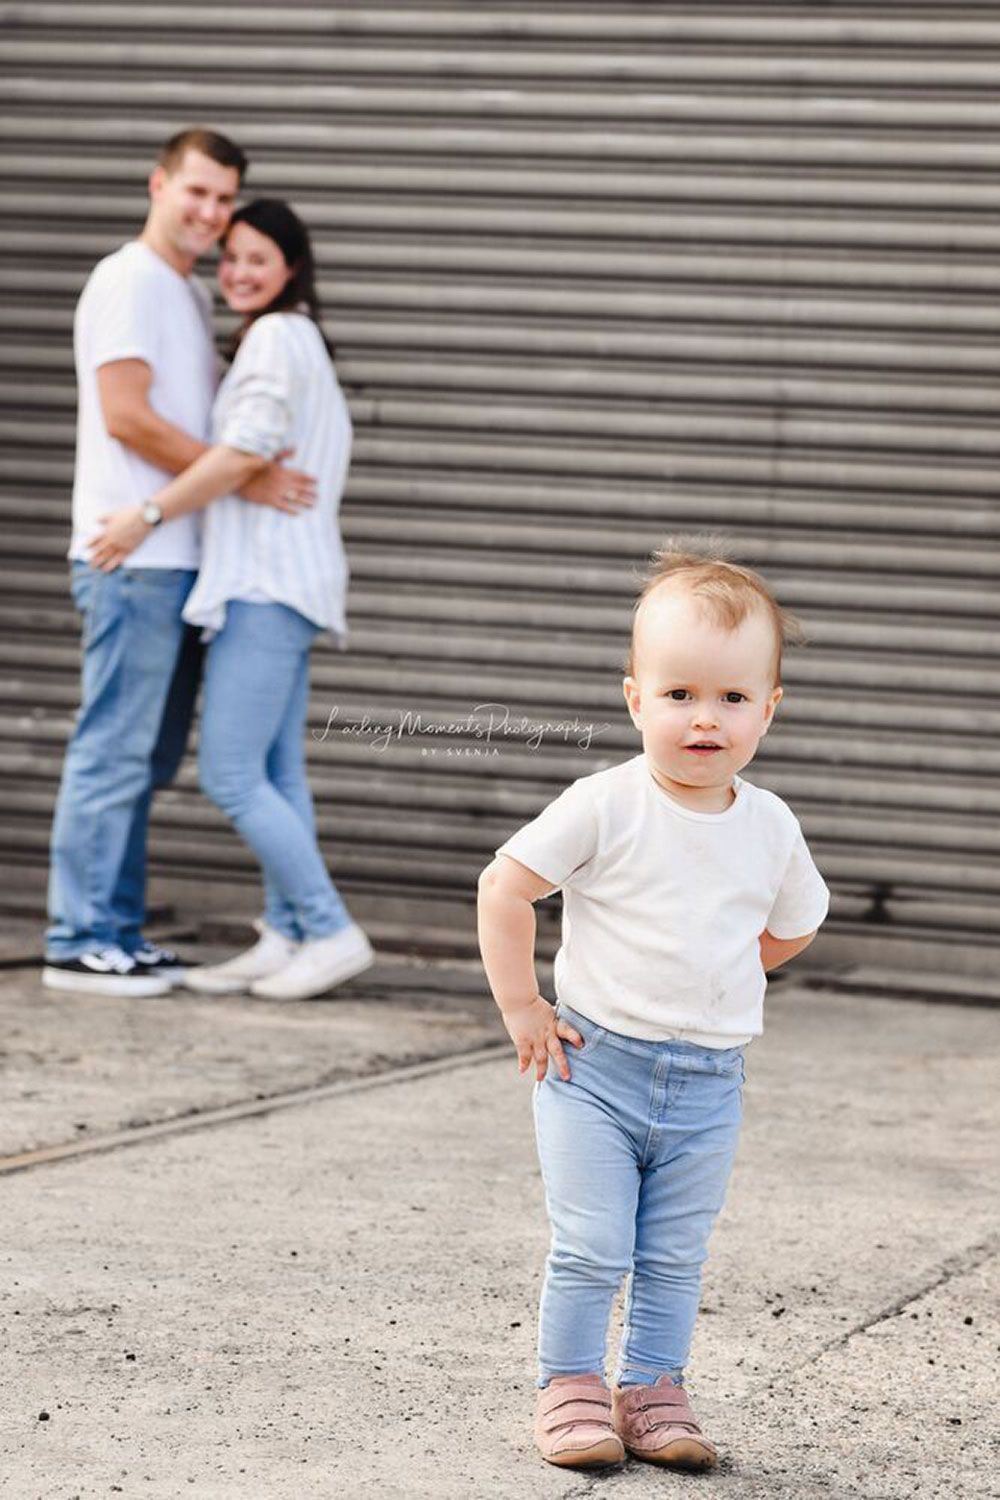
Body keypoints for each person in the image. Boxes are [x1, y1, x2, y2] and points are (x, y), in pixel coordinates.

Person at [477, 542, 830, 1471]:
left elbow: (796, 922)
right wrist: (523, 1005)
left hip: (709, 1083)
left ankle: (655, 1392)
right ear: (636, 698)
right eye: (678, 695)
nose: (703, 719)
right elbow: (504, 887)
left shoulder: (771, 825)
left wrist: (731, 967)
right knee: (593, 1246)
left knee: (673, 1257)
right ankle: (570, 1390)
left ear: (768, 709)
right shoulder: (606, 804)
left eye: (730, 698)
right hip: (595, 1067)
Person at [43, 128, 316, 998]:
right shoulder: (128, 279)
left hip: (178, 562)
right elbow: (126, 416)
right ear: (159, 184)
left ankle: (116, 931)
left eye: (223, 198)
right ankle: (79, 937)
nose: (208, 212)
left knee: (145, 761)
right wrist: (240, 475)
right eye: (195, 192)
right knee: (113, 750)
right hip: (136, 557)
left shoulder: (187, 295)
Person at [87, 199, 373, 1003]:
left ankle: (327, 926)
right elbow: (251, 456)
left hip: (266, 585)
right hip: (276, 580)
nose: (241, 271)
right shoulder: (286, 338)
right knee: (277, 772)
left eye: (259, 259)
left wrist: (145, 516)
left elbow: (243, 451)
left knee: (233, 772)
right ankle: (285, 932)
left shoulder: (279, 337)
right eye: (232, 257)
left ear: (291, 268)